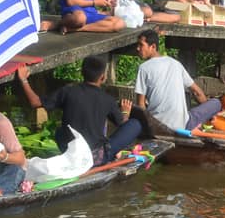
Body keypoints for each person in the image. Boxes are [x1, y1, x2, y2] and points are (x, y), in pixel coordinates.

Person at [15, 56, 144, 162]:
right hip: (96, 158)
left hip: (71, 153)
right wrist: (125, 112)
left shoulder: (67, 91)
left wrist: (24, 80)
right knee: (135, 124)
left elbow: (35, 102)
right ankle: (112, 153)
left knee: (60, 131)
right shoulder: (107, 99)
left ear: (82, 73)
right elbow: (122, 124)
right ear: (103, 77)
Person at [133, 28, 208, 133]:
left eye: (141, 45)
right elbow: (197, 92)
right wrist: (209, 118)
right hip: (182, 125)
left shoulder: (144, 68)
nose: (137, 48)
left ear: (153, 47)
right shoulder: (175, 63)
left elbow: (141, 105)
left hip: (157, 125)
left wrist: (145, 129)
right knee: (215, 103)